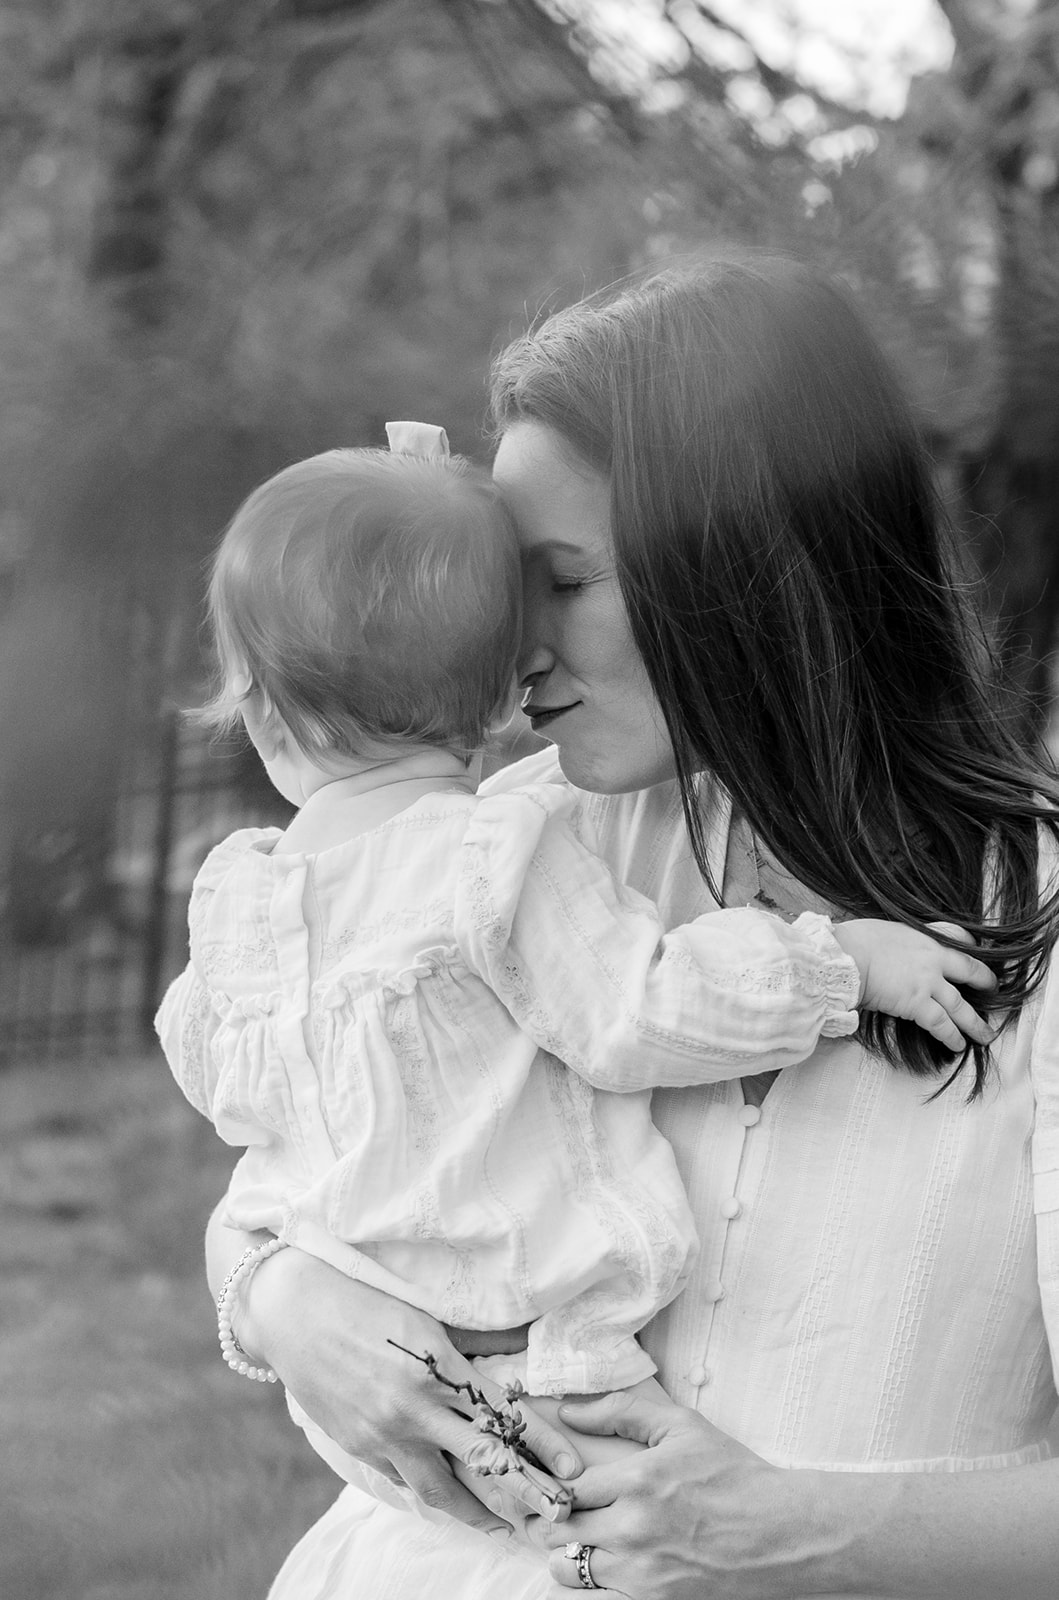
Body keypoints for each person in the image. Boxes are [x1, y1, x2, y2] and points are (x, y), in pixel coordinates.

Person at [203, 252, 1059, 1600]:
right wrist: (288, 1307)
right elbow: (308, 1155)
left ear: (747, 564)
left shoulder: (1040, 916)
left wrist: (787, 1531)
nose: (508, 645)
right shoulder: (508, 850)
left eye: (562, 583)